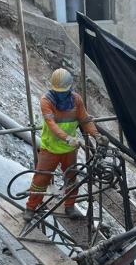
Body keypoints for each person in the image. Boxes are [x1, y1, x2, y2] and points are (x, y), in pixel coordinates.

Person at [24, 68, 105, 221]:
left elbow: (85, 120)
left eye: (63, 91)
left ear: (69, 88)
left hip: (69, 150)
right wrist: (67, 137)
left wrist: (97, 135)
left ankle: (69, 207)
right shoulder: (47, 101)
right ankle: (30, 207)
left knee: (71, 177)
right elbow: (52, 124)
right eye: (58, 91)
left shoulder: (76, 100)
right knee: (41, 179)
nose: (60, 94)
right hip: (51, 148)